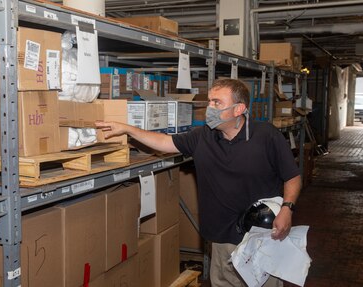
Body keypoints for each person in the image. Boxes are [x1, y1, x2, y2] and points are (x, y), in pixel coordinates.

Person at [96, 78, 301, 287]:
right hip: (222, 237)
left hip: (263, 236)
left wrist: (288, 208)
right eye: (210, 101)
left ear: (239, 109)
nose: (209, 108)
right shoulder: (203, 136)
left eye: (217, 103)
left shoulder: (266, 136)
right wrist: (129, 129)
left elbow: (292, 177)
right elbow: (164, 142)